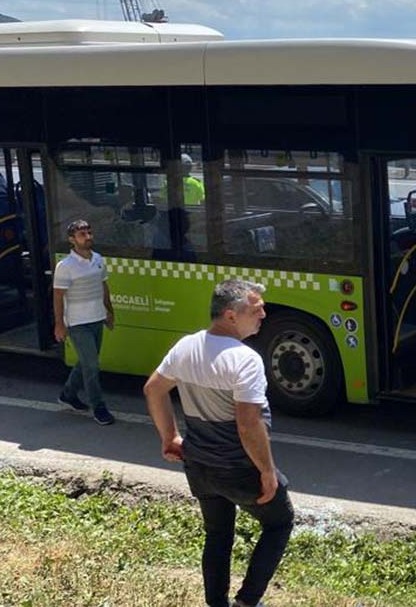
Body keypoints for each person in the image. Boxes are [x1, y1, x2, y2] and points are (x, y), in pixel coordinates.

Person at [142, 279, 294, 607]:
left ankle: (217, 604)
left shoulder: (185, 347)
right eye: (256, 310)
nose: (264, 314)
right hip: (239, 468)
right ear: (230, 315)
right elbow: (247, 424)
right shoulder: (245, 359)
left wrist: (169, 438)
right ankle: (247, 601)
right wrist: (267, 471)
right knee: (280, 522)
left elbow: (153, 389)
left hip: (198, 466)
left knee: (217, 533)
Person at [54, 219, 116, 426]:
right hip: (78, 323)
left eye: (89, 232)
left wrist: (109, 311)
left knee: (86, 362)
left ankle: (68, 394)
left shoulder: (97, 259)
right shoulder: (65, 266)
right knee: (92, 365)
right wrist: (59, 325)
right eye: (82, 234)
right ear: (72, 240)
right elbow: (58, 297)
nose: (88, 237)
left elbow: (103, 286)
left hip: (97, 318)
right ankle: (99, 408)